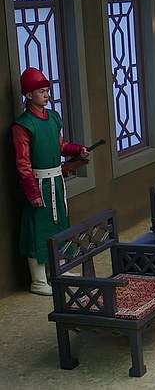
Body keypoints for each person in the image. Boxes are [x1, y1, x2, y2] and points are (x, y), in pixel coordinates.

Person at [13, 68, 89, 296]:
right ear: (29, 95)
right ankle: (38, 280)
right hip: (38, 184)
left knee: (59, 224)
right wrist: (32, 191)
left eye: (47, 90)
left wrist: (78, 150)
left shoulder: (54, 117)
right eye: (41, 91)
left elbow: (60, 146)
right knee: (37, 229)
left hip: (56, 182)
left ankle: (59, 269)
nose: (46, 95)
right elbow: (23, 162)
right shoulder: (23, 125)